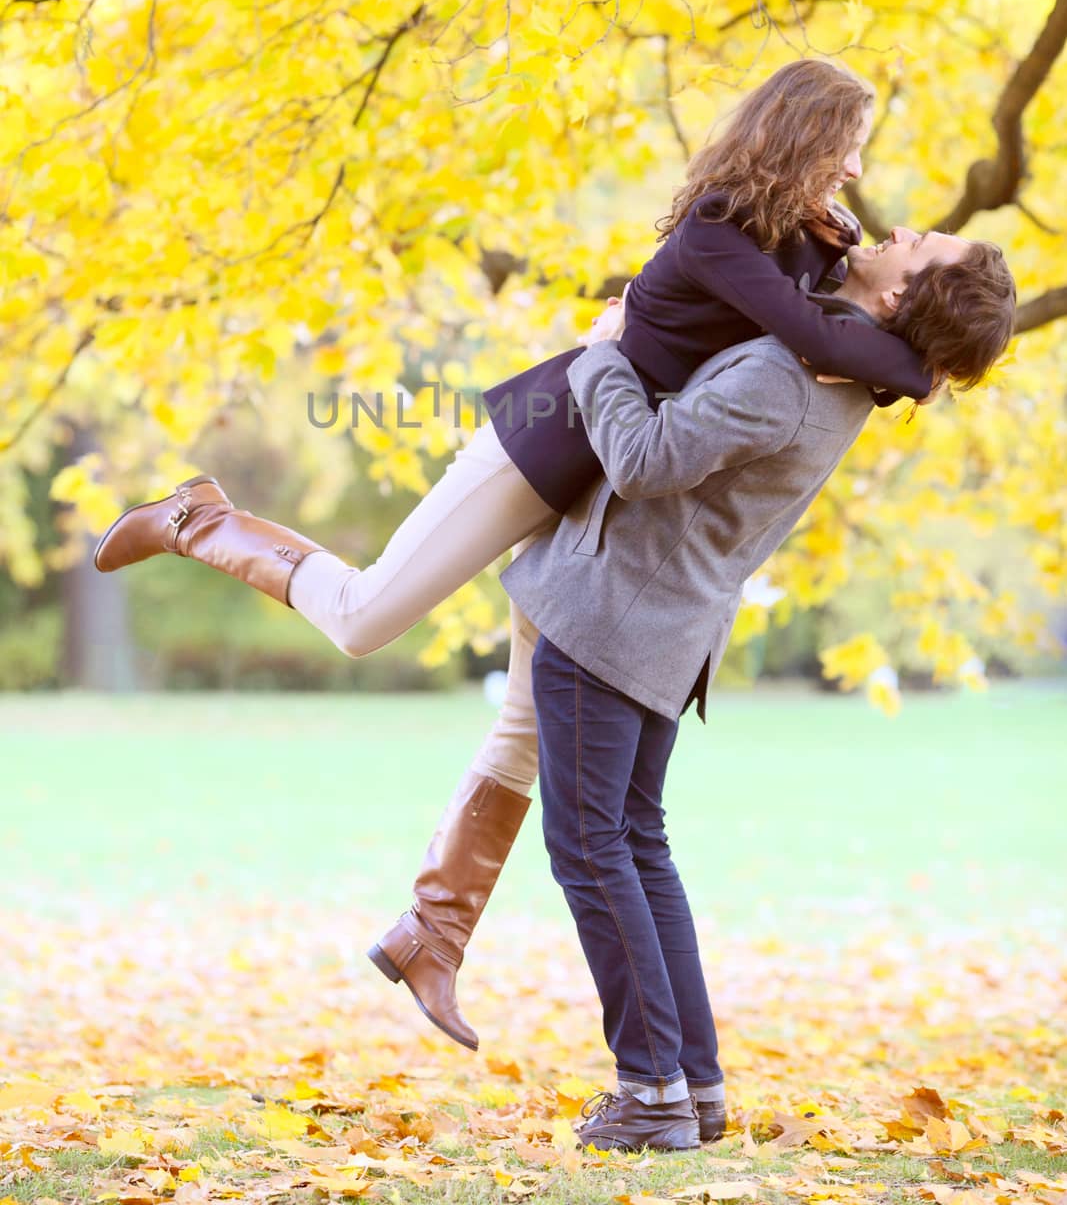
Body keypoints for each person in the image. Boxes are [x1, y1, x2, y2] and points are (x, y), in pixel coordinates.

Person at [94, 59, 932, 1046]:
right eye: (846, 142)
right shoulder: (718, 228)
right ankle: (200, 519)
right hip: (552, 435)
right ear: (801, 136)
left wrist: (916, 349)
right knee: (366, 616)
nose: (857, 164)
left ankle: (430, 935)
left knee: (525, 734)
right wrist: (930, 361)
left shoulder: (810, 238)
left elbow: (866, 348)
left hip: (608, 484)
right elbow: (832, 342)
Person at [511, 225, 1017, 1153]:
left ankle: (652, 1092)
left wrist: (599, 355)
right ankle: (688, 1085)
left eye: (914, 246)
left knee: (591, 850)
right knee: (633, 845)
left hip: (614, 621)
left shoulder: (787, 382)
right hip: (660, 628)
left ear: (900, 300)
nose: (894, 226)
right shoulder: (835, 372)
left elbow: (640, 459)